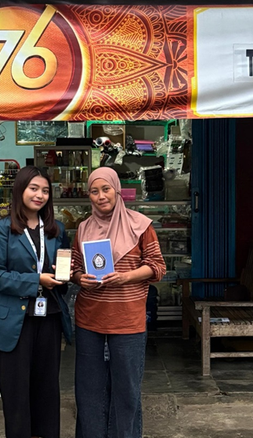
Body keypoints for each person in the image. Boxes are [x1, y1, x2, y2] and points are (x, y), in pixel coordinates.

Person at [72, 167, 166, 438]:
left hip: (127, 321)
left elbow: (157, 267)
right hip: (89, 319)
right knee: (89, 388)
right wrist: (80, 278)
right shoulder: (83, 228)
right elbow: (76, 267)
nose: (101, 196)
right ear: (88, 195)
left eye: (106, 189)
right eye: (94, 191)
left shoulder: (141, 225)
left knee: (126, 389)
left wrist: (125, 278)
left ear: (116, 190)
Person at [0, 166, 72, 438]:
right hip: (13, 323)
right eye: (34, 188)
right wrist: (36, 281)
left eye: (45, 190)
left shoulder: (57, 230)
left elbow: (63, 268)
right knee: (16, 392)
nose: (40, 195)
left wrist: (63, 277)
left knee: (47, 390)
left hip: (49, 317)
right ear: (20, 190)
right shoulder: (2, 230)